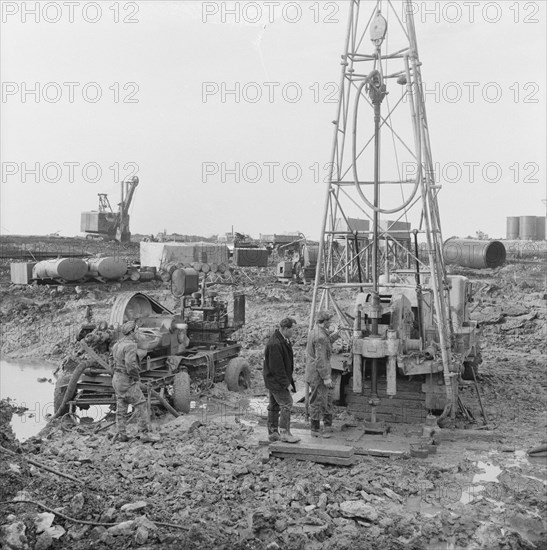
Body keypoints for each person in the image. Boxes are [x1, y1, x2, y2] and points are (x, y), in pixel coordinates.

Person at [111, 320, 158, 443]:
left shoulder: (117, 344)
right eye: (136, 330)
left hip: (116, 379)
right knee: (141, 404)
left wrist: (118, 372)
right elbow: (131, 365)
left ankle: (122, 434)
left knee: (121, 406)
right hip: (126, 380)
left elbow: (111, 360)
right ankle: (144, 433)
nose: (137, 332)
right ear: (131, 332)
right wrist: (136, 377)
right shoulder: (131, 345)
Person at [263, 317, 301, 444]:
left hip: (274, 379)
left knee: (274, 405)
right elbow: (277, 368)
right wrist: (286, 383)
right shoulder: (275, 344)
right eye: (292, 330)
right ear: (284, 329)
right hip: (276, 380)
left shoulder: (283, 339)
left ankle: (273, 433)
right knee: (287, 403)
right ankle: (285, 433)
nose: (293, 333)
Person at [306, 310, 339, 438]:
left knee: (325, 398)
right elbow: (320, 360)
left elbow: (327, 341)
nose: (330, 323)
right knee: (317, 400)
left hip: (316, 372)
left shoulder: (316, 332)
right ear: (324, 321)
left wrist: (337, 334)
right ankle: (315, 429)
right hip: (318, 374)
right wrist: (326, 377)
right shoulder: (319, 337)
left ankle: (326, 425)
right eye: (329, 321)